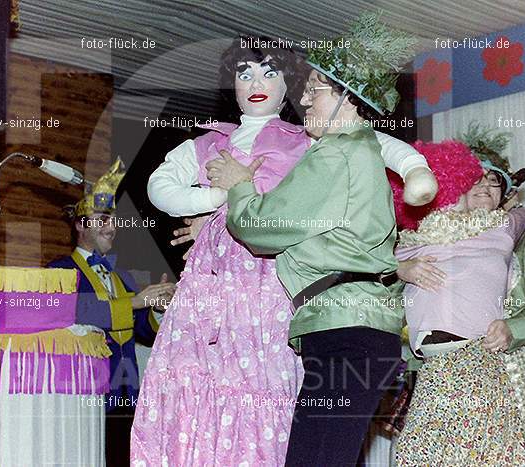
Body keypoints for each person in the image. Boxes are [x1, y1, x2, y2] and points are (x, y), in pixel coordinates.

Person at [132, 26, 436, 466]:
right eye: (244, 73)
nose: (256, 84)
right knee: (198, 392)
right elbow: (160, 185)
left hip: (281, 295)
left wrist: (415, 169)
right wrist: (211, 207)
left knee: (274, 406)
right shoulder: (210, 141)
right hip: (216, 292)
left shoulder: (317, 146)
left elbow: (265, 223)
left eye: (269, 73)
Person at [210, 14, 419, 465]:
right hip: (352, 329)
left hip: (348, 332)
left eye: (316, 89)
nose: (303, 97)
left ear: (349, 99)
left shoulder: (337, 154)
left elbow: (259, 230)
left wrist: (239, 183)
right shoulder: (359, 152)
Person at [391, 136, 525, 466]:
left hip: (507, 368)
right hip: (433, 367)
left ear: (505, 194)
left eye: (493, 181)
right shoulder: (421, 239)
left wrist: (515, 328)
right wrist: (402, 270)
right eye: (475, 179)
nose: (483, 187)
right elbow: (388, 299)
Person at [48, 160, 176, 467]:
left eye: (114, 220)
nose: (112, 227)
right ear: (80, 224)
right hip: (86, 396)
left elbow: (142, 331)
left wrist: (156, 310)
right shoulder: (59, 271)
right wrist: (134, 302)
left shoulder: (123, 276)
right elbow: (73, 314)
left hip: (126, 395)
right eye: (103, 218)